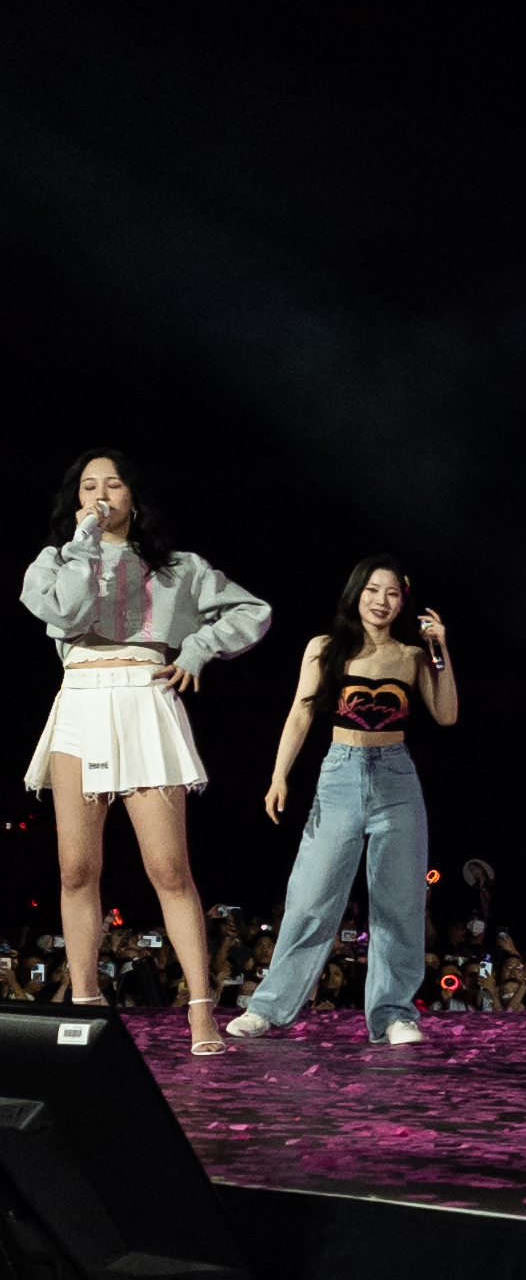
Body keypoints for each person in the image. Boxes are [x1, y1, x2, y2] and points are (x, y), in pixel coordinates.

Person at [20, 449, 270, 1055]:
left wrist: (196, 649)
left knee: (168, 868)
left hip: (144, 698)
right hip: (80, 700)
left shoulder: (179, 567)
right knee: (76, 869)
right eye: (88, 487)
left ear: (133, 496)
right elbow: (64, 611)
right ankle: (85, 1005)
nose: (100, 495)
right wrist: (83, 545)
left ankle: (201, 1009)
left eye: (112, 485)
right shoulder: (55, 561)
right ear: (75, 501)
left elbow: (253, 610)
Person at [227, 558, 455, 1046]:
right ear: (356, 593)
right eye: (372, 590)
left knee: (399, 902)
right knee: (311, 896)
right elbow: (300, 712)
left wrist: (440, 649)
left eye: (391, 593)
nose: (381, 600)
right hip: (340, 774)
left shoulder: (412, 656)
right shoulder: (325, 647)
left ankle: (394, 1015)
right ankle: (267, 1007)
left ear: (403, 602)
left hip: (397, 778)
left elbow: (447, 713)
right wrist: (279, 775)